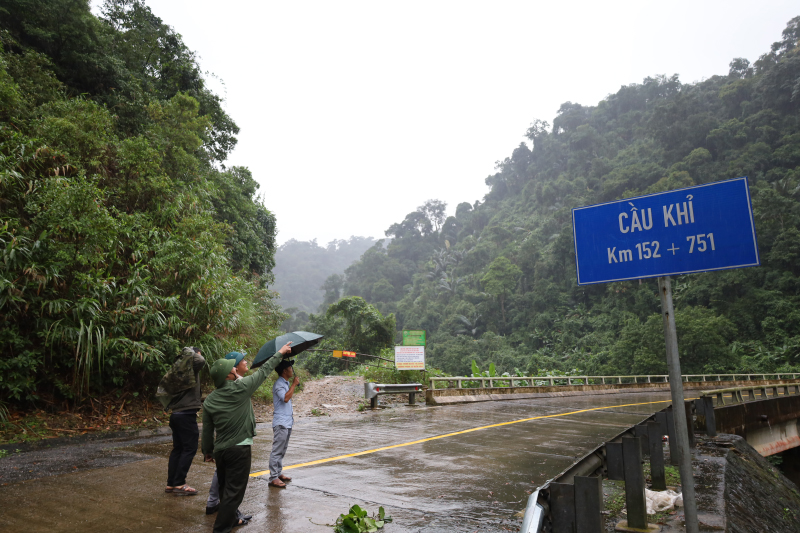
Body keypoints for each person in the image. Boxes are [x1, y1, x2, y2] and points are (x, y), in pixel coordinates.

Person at [202, 342, 292, 533]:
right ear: (228, 375)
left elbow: (208, 431)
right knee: (233, 493)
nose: (235, 368)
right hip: (239, 449)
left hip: (221, 451)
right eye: (232, 367)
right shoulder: (241, 387)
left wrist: (208, 451)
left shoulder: (210, 399)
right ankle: (221, 529)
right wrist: (280, 353)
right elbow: (264, 371)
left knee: (225, 489)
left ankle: (233, 519)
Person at [206, 351, 253, 521]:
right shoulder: (236, 387)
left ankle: (229, 512)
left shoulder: (237, 384)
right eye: (242, 361)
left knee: (225, 478)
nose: (245, 362)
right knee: (229, 482)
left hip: (224, 445)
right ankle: (221, 512)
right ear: (232, 369)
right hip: (235, 443)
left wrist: (208, 449)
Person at [165, 346, 204, 495]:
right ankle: (180, 483)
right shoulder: (189, 368)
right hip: (185, 415)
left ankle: (171, 484)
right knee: (189, 448)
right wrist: (192, 352)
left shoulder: (178, 371)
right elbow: (200, 360)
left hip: (176, 414)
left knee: (179, 449)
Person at [268, 359, 299, 488]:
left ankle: (278, 473)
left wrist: (291, 385)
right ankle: (273, 477)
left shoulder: (285, 383)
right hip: (281, 422)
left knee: (282, 449)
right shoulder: (279, 384)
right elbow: (285, 398)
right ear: (285, 370)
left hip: (287, 422)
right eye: (290, 367)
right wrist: (294, 384)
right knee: (277, 450)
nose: (292, 369)